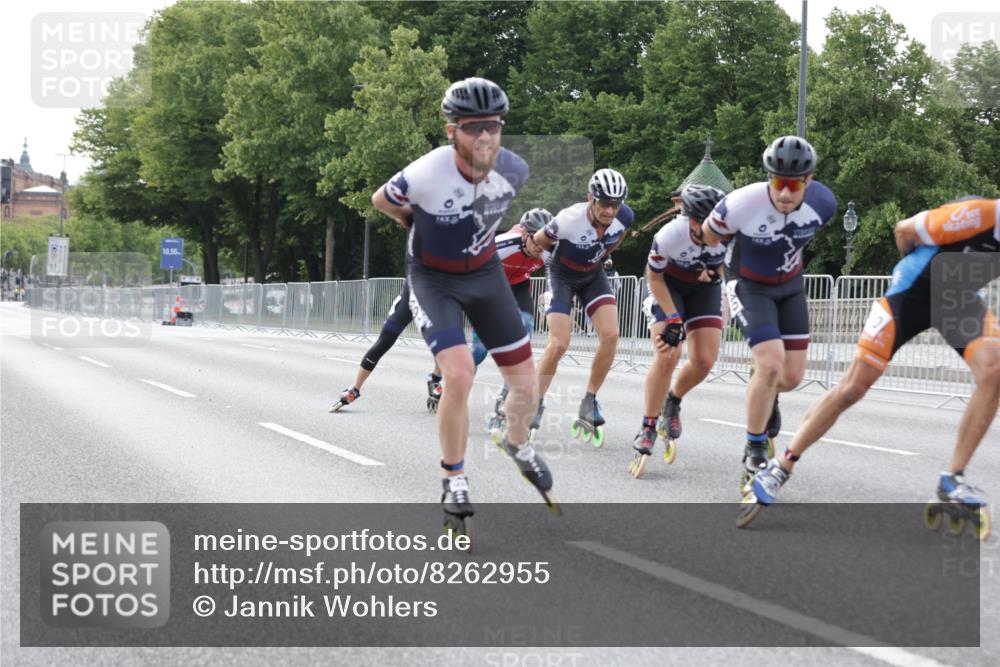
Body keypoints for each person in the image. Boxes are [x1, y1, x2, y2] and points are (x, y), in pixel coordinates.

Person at [740, 196, 1000, 538]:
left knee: (994, 371)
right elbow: (904, 229)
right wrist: (908, 270)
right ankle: (781, 465)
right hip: (909, 295)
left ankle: (952, 478)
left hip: (958, 301)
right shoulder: (982, 215)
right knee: (853, 388)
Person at [371, 77, 558, 541]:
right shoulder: (427, 172)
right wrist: (412, 222)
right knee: (458, 374)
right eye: (472, 128)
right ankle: (453, 478)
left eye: (492, 126)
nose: (485, 137)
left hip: (484, 274)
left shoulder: (513, 170)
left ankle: (515, 442)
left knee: (525, 382)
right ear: (451, 130)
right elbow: (382, 200)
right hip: (433, 279)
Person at [701, 136, 837, 490]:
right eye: (778, 183)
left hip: (790, 286)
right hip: (749, 284)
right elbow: (708, 235)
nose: (786, 193)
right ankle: (755, 445)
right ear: (768, 178)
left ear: (809, 180)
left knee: (790, 377)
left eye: (794, 184)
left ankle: (766, 389)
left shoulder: (824, 204)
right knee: (771, 363)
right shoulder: (742, 203)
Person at [530, 168, 635, 447]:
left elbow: (616, 239)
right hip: (561, 275)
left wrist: (599, 257)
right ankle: (535, 402)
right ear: (591, 198)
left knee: (611, 335)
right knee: (559, 343)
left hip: (592, 275)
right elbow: (539, 242)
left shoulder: (624, 217)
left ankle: (590, 400)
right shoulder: (568, 219)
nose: (611, 211)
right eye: (604, 204)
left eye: (616, 204)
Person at [629, 184, 728, 479]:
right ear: (693, 221)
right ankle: (647, 425)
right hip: (668, 287)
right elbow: (654, 276)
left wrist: (713, 274)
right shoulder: (670, 235)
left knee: (705, 360)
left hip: (703, 291)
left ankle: (672, 401)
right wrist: (672, 318)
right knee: (669, 353)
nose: (716, 229)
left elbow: (729, 266)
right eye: (709, 223)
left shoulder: (729, 233)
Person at [472, 208, 553, 432]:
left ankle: (505, 399)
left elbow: (560, 276)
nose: (540, 247)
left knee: (521, 344)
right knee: (478, 353)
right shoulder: (502, 245)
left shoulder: (549, 248)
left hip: (517, 287)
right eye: (536, 240)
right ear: (525, 234)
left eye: (545, 241)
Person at [329, 281, 444, 414]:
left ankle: (434, 380)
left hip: (436, 301)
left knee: (442, 343)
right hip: (411, 297)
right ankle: (354, 389)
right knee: (384, 341)